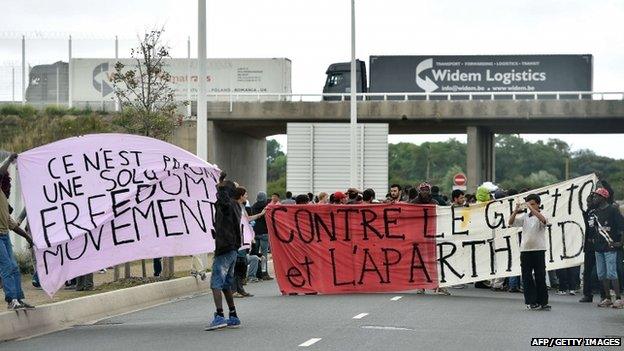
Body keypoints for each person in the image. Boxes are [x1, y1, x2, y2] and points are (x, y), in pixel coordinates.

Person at [206, 179, 243, 330]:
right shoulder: (235, 206)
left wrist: (221, 187)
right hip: (232, 248)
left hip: (225, 248)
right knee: (226, 284)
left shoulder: (229, 205)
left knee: (216, 283)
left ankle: (220, 315)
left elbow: (223, 202)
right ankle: (233, 315)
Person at [0, 153, 36, 310]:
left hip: (4, 236)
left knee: (14, 266)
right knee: (7, 266)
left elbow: (11, 223)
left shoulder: (2, 197)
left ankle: (18, 299)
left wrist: (27, 237)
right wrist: (9, 160)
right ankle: (11, 300)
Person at [509, 194, 551, 311]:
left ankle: (543, 301)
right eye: (529, 204)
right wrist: (515, 211)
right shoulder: (525, 217)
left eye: (533, 204)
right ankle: (531, 301)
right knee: (527, 277)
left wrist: (532, 209)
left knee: (540, 276)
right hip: (526, 250)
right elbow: (511, 222)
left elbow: (544, 220)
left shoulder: (543, 213)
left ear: (538, 204)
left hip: (539, 249)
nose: (530, 206)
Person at [586, 188, 623, 308]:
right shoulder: (594, 212)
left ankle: (618, 298)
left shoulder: (613, 210)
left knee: (612, 273)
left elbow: (621, 228)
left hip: (610, 246)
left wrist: (620, 243)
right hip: (598, 247)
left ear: (603, 197)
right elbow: (592, 229)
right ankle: (607, 298)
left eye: (597, 197)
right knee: (601, 274)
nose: (595, 199)